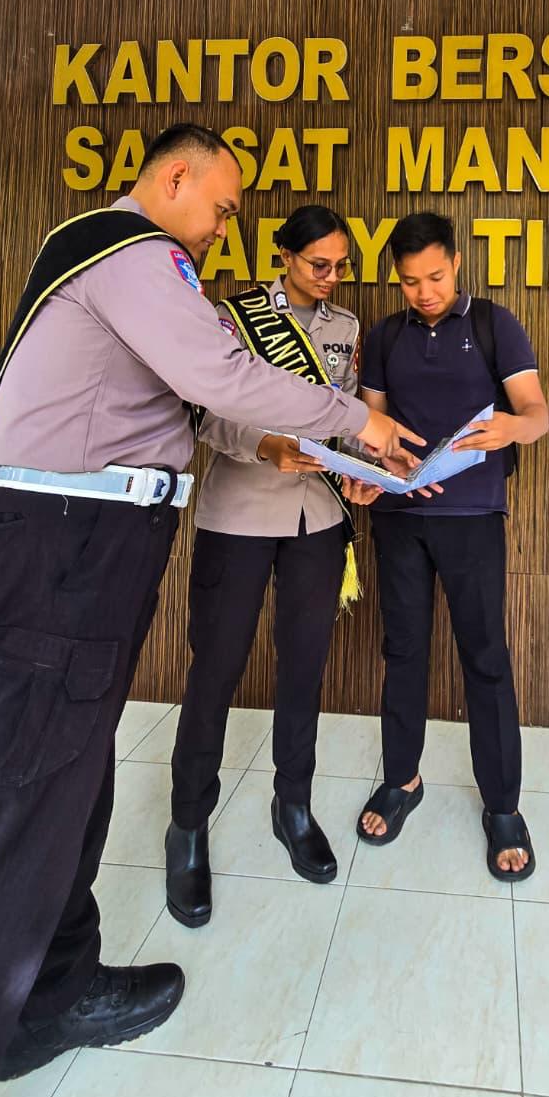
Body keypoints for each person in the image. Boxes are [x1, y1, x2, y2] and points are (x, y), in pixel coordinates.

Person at [0, 124, 418, 1097]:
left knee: (72, 781)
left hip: (87, 547)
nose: (220, 228)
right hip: (65, 547)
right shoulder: (133, 252)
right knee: (28, 800)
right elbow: (220, 378)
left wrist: (299, 444)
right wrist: (356, 419)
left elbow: (193, 408)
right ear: (174, 176)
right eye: (222, 207)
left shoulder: (123, 267)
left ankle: (54, 992)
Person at [166, 204, 384, 919]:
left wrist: (362, 469)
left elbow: (345, 416)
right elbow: (204, 413)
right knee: (216, 670)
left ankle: (293, 804)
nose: (330, 277)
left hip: (316, 519)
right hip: (238, 516)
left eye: (341, 266)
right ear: (284, 256)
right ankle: (187, 824)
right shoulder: (232, 319)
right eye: (318, 264)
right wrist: (265, 445)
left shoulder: (347, 328)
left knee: (304, 667)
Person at [354, 212, 549, 881]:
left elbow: (537, 413)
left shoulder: (494, 324)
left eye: (435, 277)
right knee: (403, 651)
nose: (425, 292)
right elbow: (371, 426)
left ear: (456, 263)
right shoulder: (385, 335)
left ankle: (503, 807)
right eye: (411, 282)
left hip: (473, 517)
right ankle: (401, 779)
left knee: (486, 658)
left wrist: (511, 429)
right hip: (400, 516)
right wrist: (376, 467)